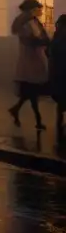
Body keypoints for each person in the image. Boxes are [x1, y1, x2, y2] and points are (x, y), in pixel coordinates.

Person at [8, 0, 50, 130]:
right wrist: (46, 43)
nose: (41, 11)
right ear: (32, 10)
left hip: (33, 57)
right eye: (38, 9)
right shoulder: (28, 24)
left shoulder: (31, 22)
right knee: (32, 88)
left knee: (31, 91)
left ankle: (17, 109)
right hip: (31, 59)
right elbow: (32, 40)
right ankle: (37, 120)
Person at [50, 14, 66, 142]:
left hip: (58, 72)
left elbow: (49, 52)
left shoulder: (57, 35)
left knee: (60, 102)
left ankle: (59, 125)